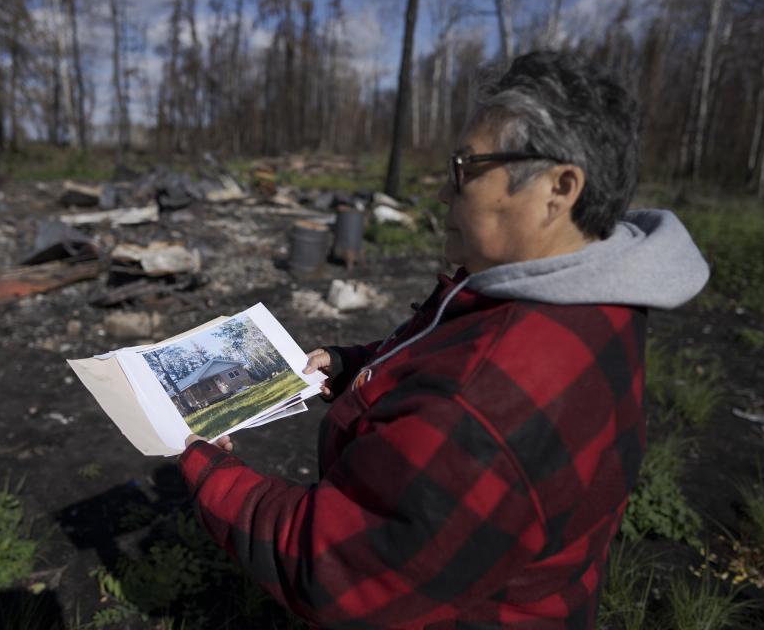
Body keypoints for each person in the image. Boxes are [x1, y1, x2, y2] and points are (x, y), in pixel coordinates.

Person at [178, 51, 709, 629]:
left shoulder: (492, 403)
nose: (441, 195)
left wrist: (203, 465)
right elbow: (447, 350)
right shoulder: (588, 289)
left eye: (465, 169)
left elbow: (331, 567)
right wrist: (356, 364)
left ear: (559, 189)